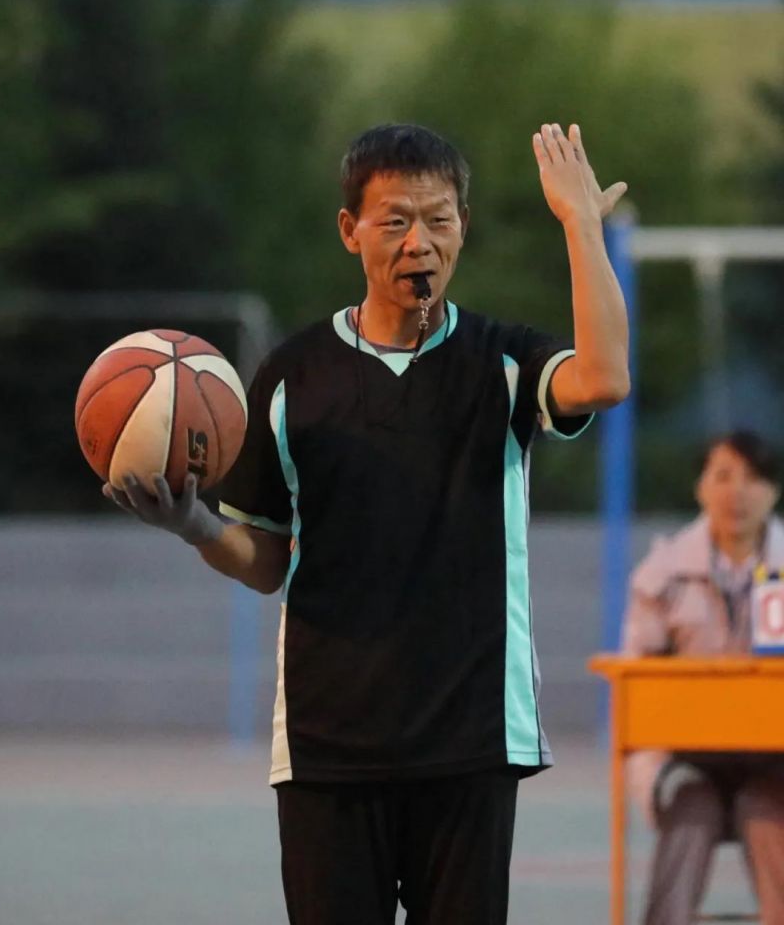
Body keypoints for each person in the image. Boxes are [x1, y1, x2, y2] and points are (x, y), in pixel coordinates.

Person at [106, 121, 630, 925]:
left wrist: (580, 224)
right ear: (350, 229)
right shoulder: (291, 377)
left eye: (439, 219)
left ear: (463, 227)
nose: (420, 241)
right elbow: (266, 559)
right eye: (396, 221)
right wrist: (194, 525)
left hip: (471, 738)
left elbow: (603, 379)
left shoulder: (502, 361)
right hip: (329, 746)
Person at [623, 429, 784, 925]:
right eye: (723, 476)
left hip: (777, 761)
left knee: (767, 808)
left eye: (753, 478)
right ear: (700, 487)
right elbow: (634, 686)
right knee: (691, 809)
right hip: (685, 759)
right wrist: (652, 775)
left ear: (774, 492)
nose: (738, 492)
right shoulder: (661, 575)